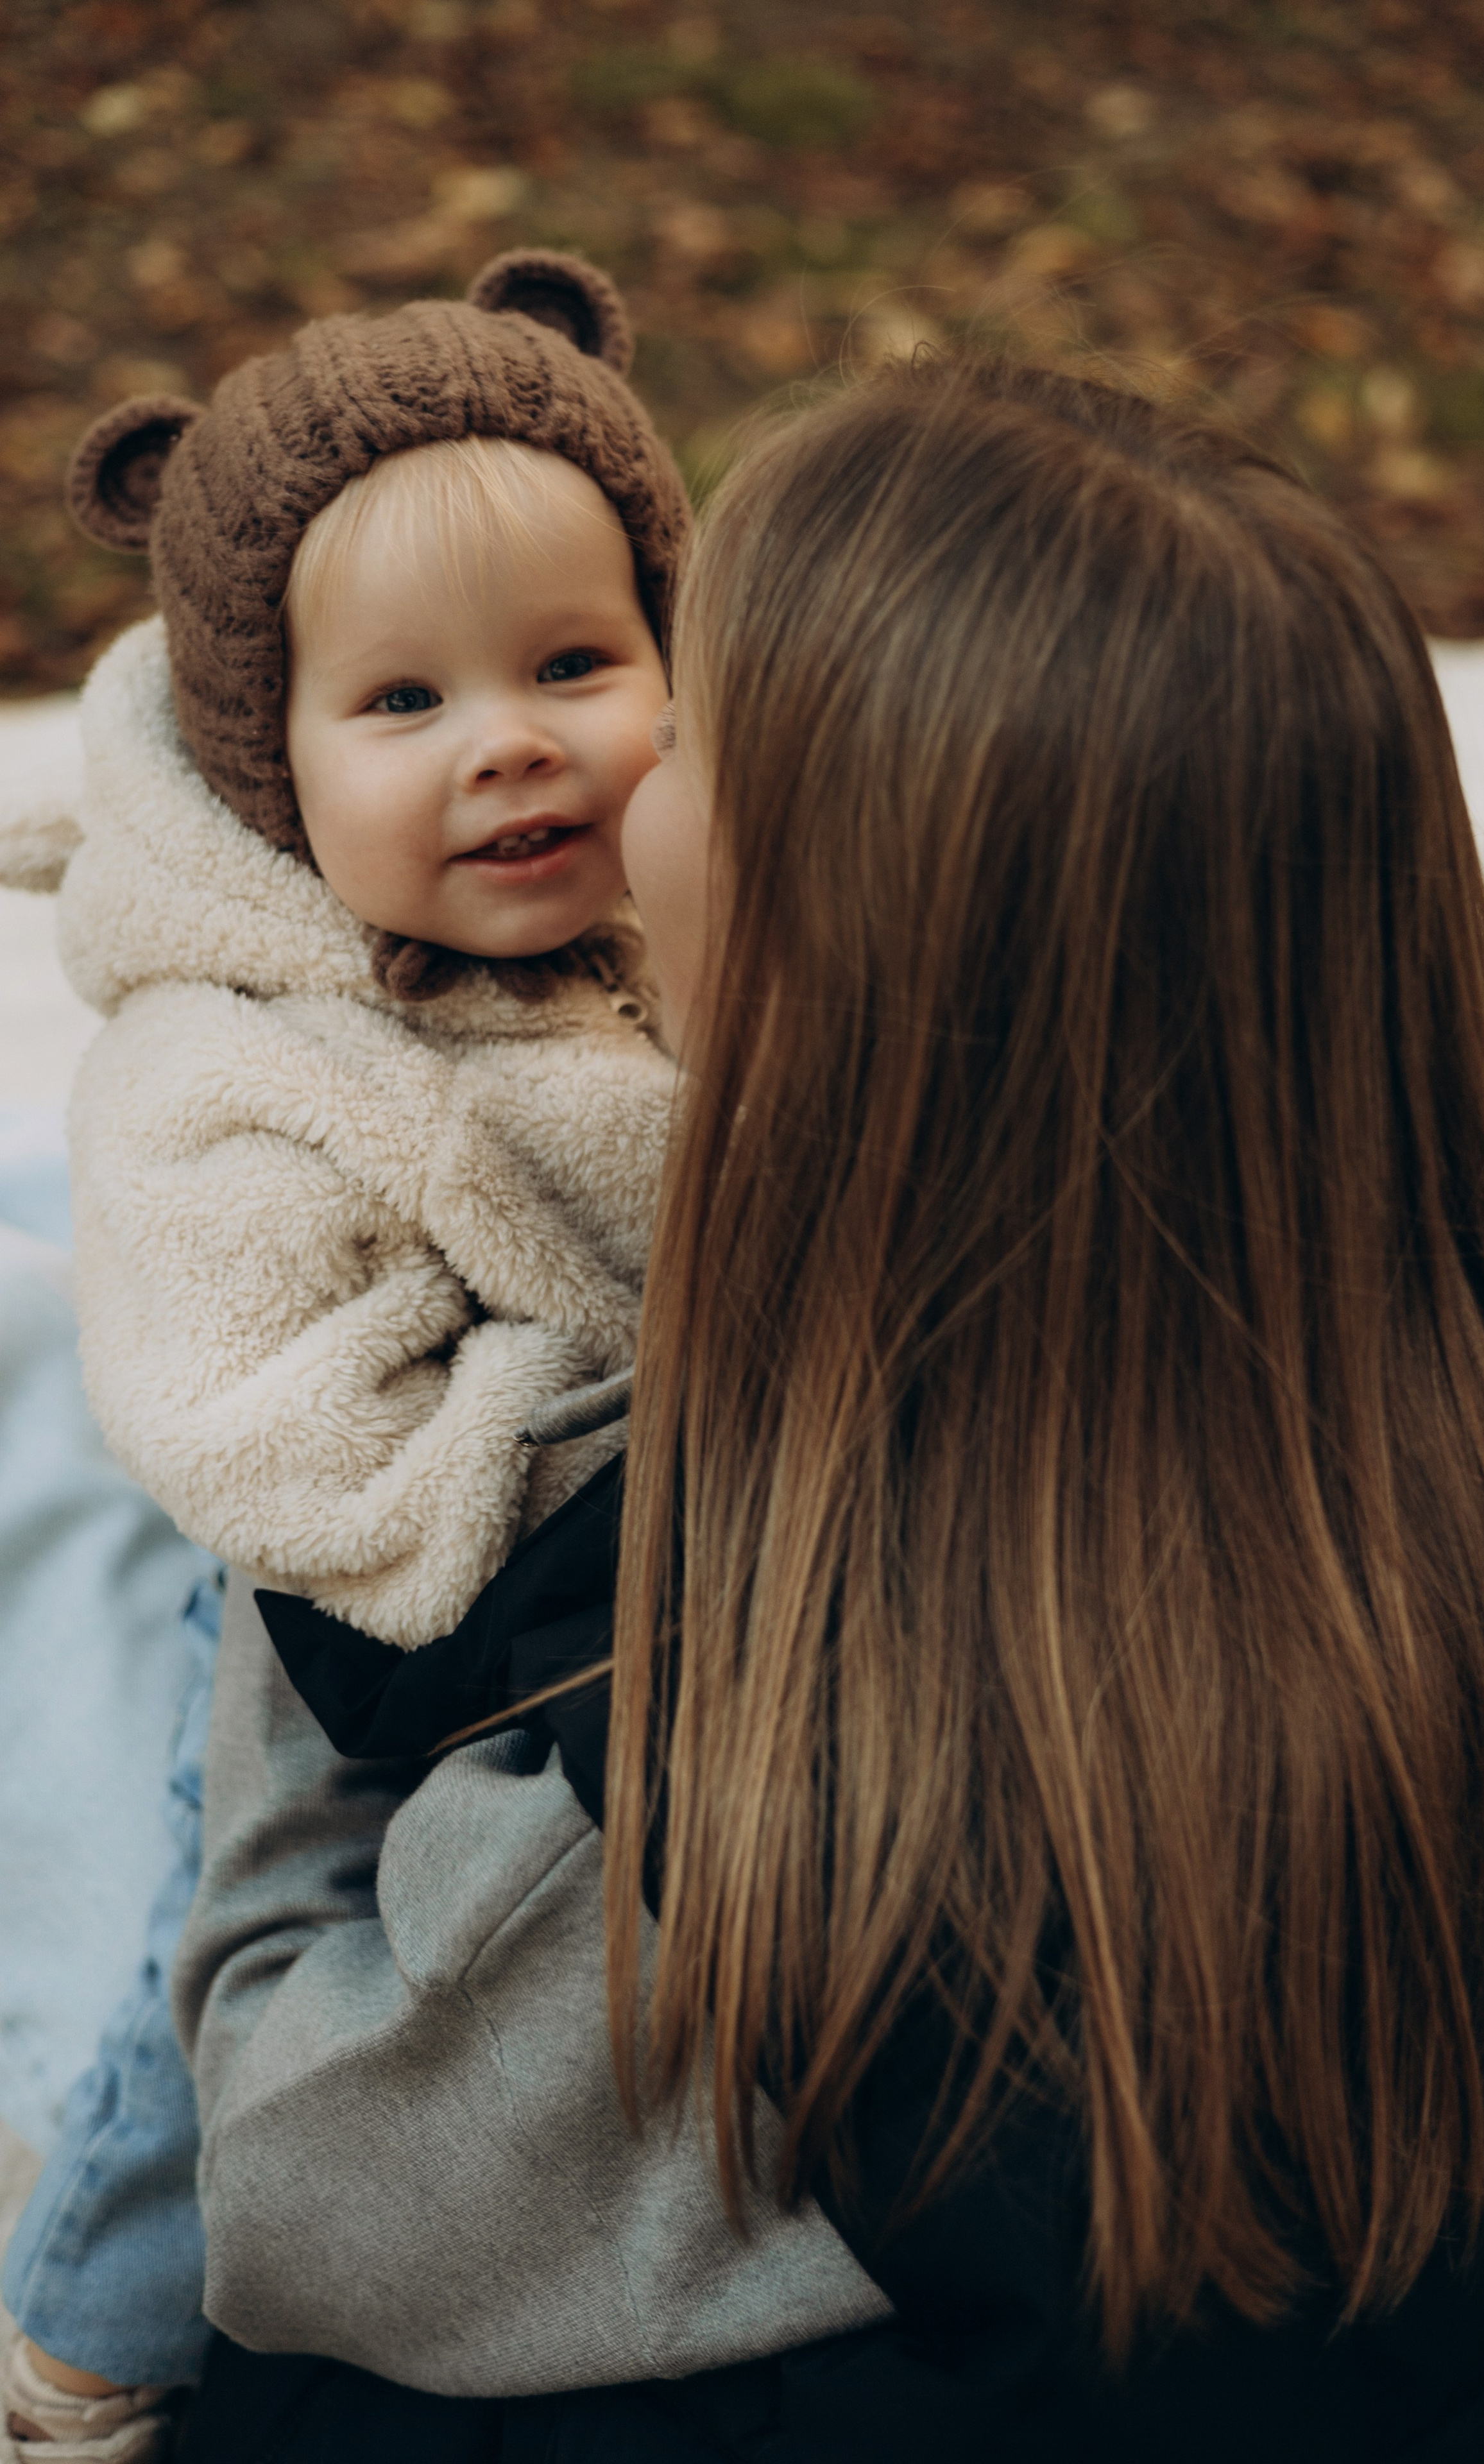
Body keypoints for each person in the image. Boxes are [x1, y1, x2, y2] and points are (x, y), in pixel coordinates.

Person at [179, 352, 1484, 2458]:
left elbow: (289, 2190)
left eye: (691, 739)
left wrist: (296, 1491)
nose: (621, 779)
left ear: (841, 977)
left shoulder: (725, 1811)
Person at [0, 253, 888, 2463]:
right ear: (268, 760)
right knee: (202, 2008)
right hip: (355, 1599)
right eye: (402, 705)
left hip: (607, 1585)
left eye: (576, 665)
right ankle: (88, 2343)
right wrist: (529, 1426)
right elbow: (249, 1420)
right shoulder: (235, 1061)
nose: (509, 742)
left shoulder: (665, 923)